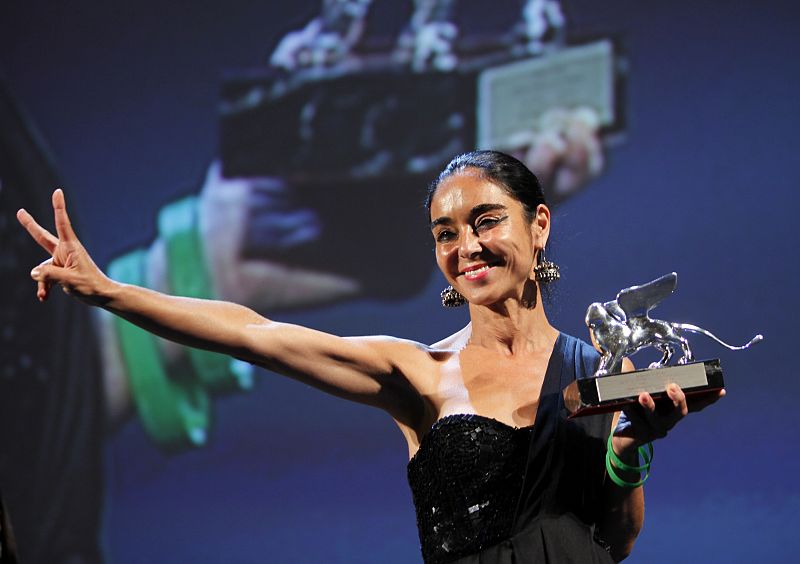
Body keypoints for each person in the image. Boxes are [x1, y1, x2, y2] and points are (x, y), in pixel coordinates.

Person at [16, 150, 719, 563]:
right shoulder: (417, 373)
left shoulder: (599, 375)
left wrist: (631, 450)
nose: (464, 247)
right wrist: (108, 292)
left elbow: (615, 542)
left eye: (485, 221)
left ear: (539, 226)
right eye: (445, 232)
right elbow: (251, 333)